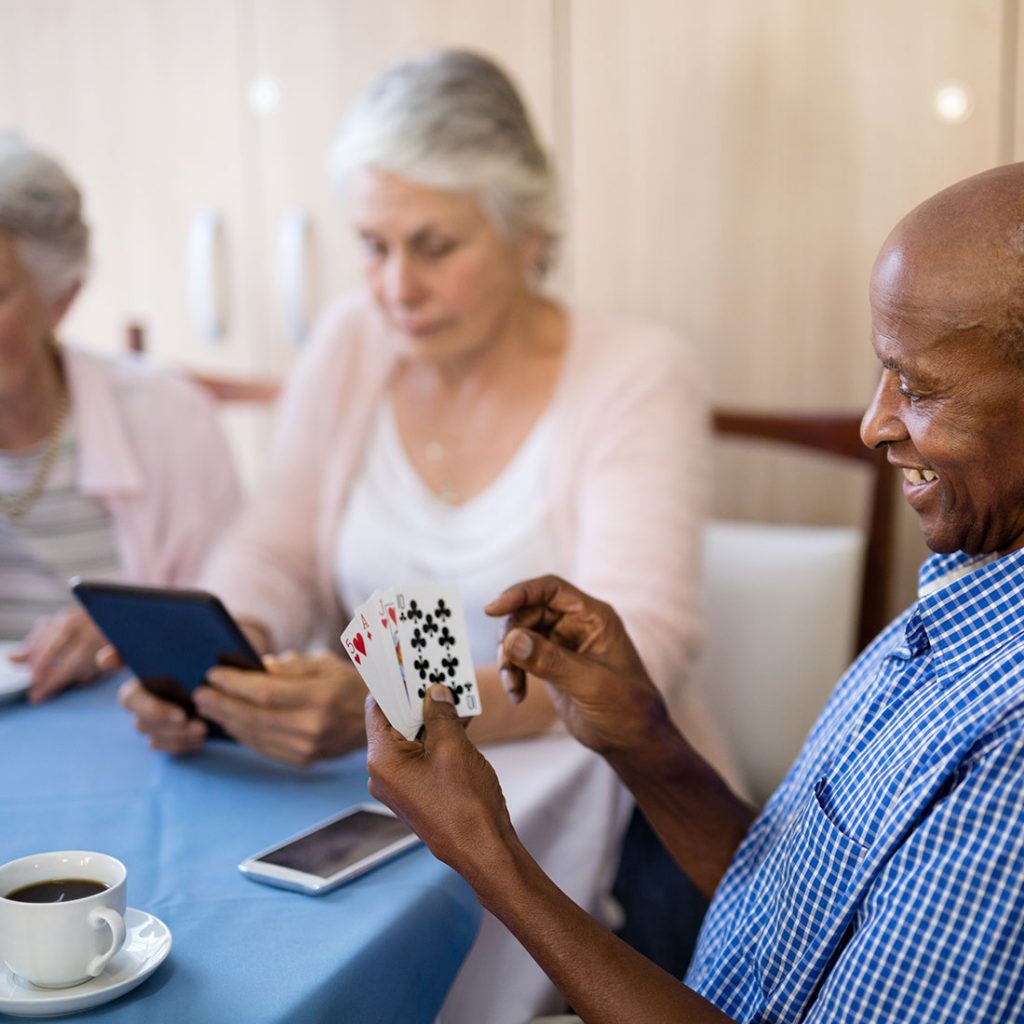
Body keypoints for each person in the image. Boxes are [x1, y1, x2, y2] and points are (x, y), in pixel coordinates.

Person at [118, 49, 725, 1022]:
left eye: (434, 246)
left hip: (611, 819)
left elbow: (641, 642)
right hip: (386, 793)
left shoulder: (635, 372)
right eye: (370, 244)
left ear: (528, 231)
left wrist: (387, 700)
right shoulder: (352, 341)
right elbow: (271, 551)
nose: (394, 285)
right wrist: (226, 663)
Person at [365, 160, 1024, 1024]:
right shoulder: (974, 581)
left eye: (920, 387)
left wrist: (486, 852)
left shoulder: (1009, 756)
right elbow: (804, 913)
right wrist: (644, 742)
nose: (875, 423)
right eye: (883, 371)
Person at [0, 133, 240, 703]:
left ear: (61, 297)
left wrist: (130, 637)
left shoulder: (169, 417)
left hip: (136, 736)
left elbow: (235, 630)